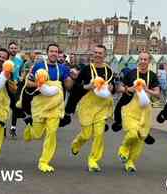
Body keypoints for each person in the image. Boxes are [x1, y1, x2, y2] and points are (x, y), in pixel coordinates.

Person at [24, 43, 74, 173]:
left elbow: (68, 86)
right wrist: (40, 84)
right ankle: (30, 130)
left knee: (51, 133)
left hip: (56, 105)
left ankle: (44, 161)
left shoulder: (63, 68)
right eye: (51, 51)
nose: (53, 53)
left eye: (56, 51)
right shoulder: (38, 66)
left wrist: (71, 78)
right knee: (37, 134)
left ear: (59, 54)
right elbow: (28, 83)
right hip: (41, 104)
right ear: (47, 53)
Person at [70, 45, 115, 172]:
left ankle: (93, 160)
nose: (97, 55)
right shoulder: (86, 69)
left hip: (102, 106)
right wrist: (87, 86)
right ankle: (77, 143)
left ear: (104, 55)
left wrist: (112, 88)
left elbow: (113, 87)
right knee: (86, 134)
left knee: (99, 134)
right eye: (95, 52)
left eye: (100, 53)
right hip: (87, 106)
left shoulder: (109, 71)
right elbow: (76, 86)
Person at [117, 51, 160, 172]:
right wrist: (129, 88)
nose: (142, 61)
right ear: (138, 60)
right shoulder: (131, 74)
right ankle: (124, 149)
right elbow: (119, 88)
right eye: (141, 59)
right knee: (132, 133)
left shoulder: (152, 76)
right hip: (130, 110)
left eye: (145, 59)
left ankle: (130, 162)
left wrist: (147, 90)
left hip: (145, 112)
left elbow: (157, 94)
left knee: (140, 139)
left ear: (149, 62)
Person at [8, 41, 24, 138]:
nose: (13, 50)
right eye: (11, 48)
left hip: (16, 86)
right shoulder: (6, 60)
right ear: (9, 49)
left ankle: (13, 128)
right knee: (5, 107)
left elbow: (21, 71)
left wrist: (21, 76)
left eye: (15, 48)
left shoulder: (19, 61)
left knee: (15, 107)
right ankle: (3, 127)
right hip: (6, 85)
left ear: (17, 49)